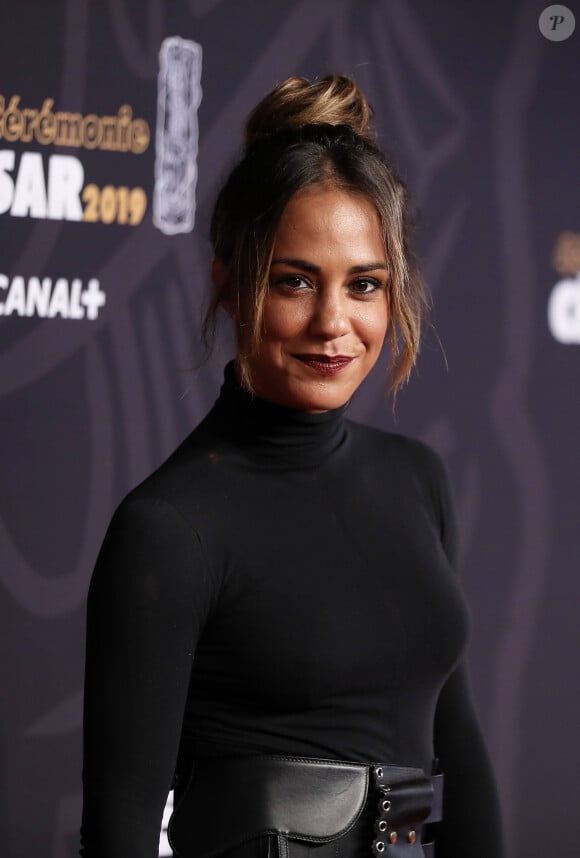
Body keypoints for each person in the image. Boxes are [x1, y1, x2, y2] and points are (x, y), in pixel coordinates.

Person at [79, 75, 504, 858]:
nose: (332, 324)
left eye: (365, 285)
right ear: (229, 285)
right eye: (295, 281)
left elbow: (460, 758)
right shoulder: (171, 529)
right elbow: (119, 833)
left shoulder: (418, 481)